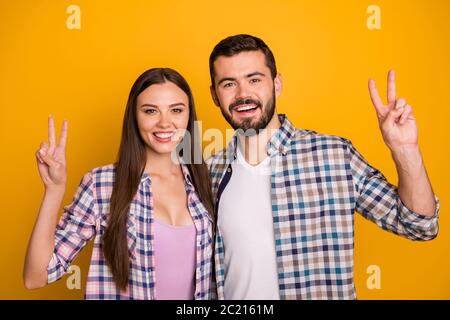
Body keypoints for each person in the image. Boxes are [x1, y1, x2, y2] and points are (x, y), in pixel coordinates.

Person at [207, 34, 440, 300]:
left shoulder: (335, 156)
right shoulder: (209, 172)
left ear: (277, 83)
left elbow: (419, 226)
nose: (243, 94)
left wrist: (405, 149)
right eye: (229, 84)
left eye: (254, 79)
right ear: (215, 95)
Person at [23, 68, 215, 300]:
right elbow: (36, 276)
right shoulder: (101, 184)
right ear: (134, 116)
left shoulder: (206, 180)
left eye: (176, 110)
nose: (165, 123)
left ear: (188, 116)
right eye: (150, 111)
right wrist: (54, 190)